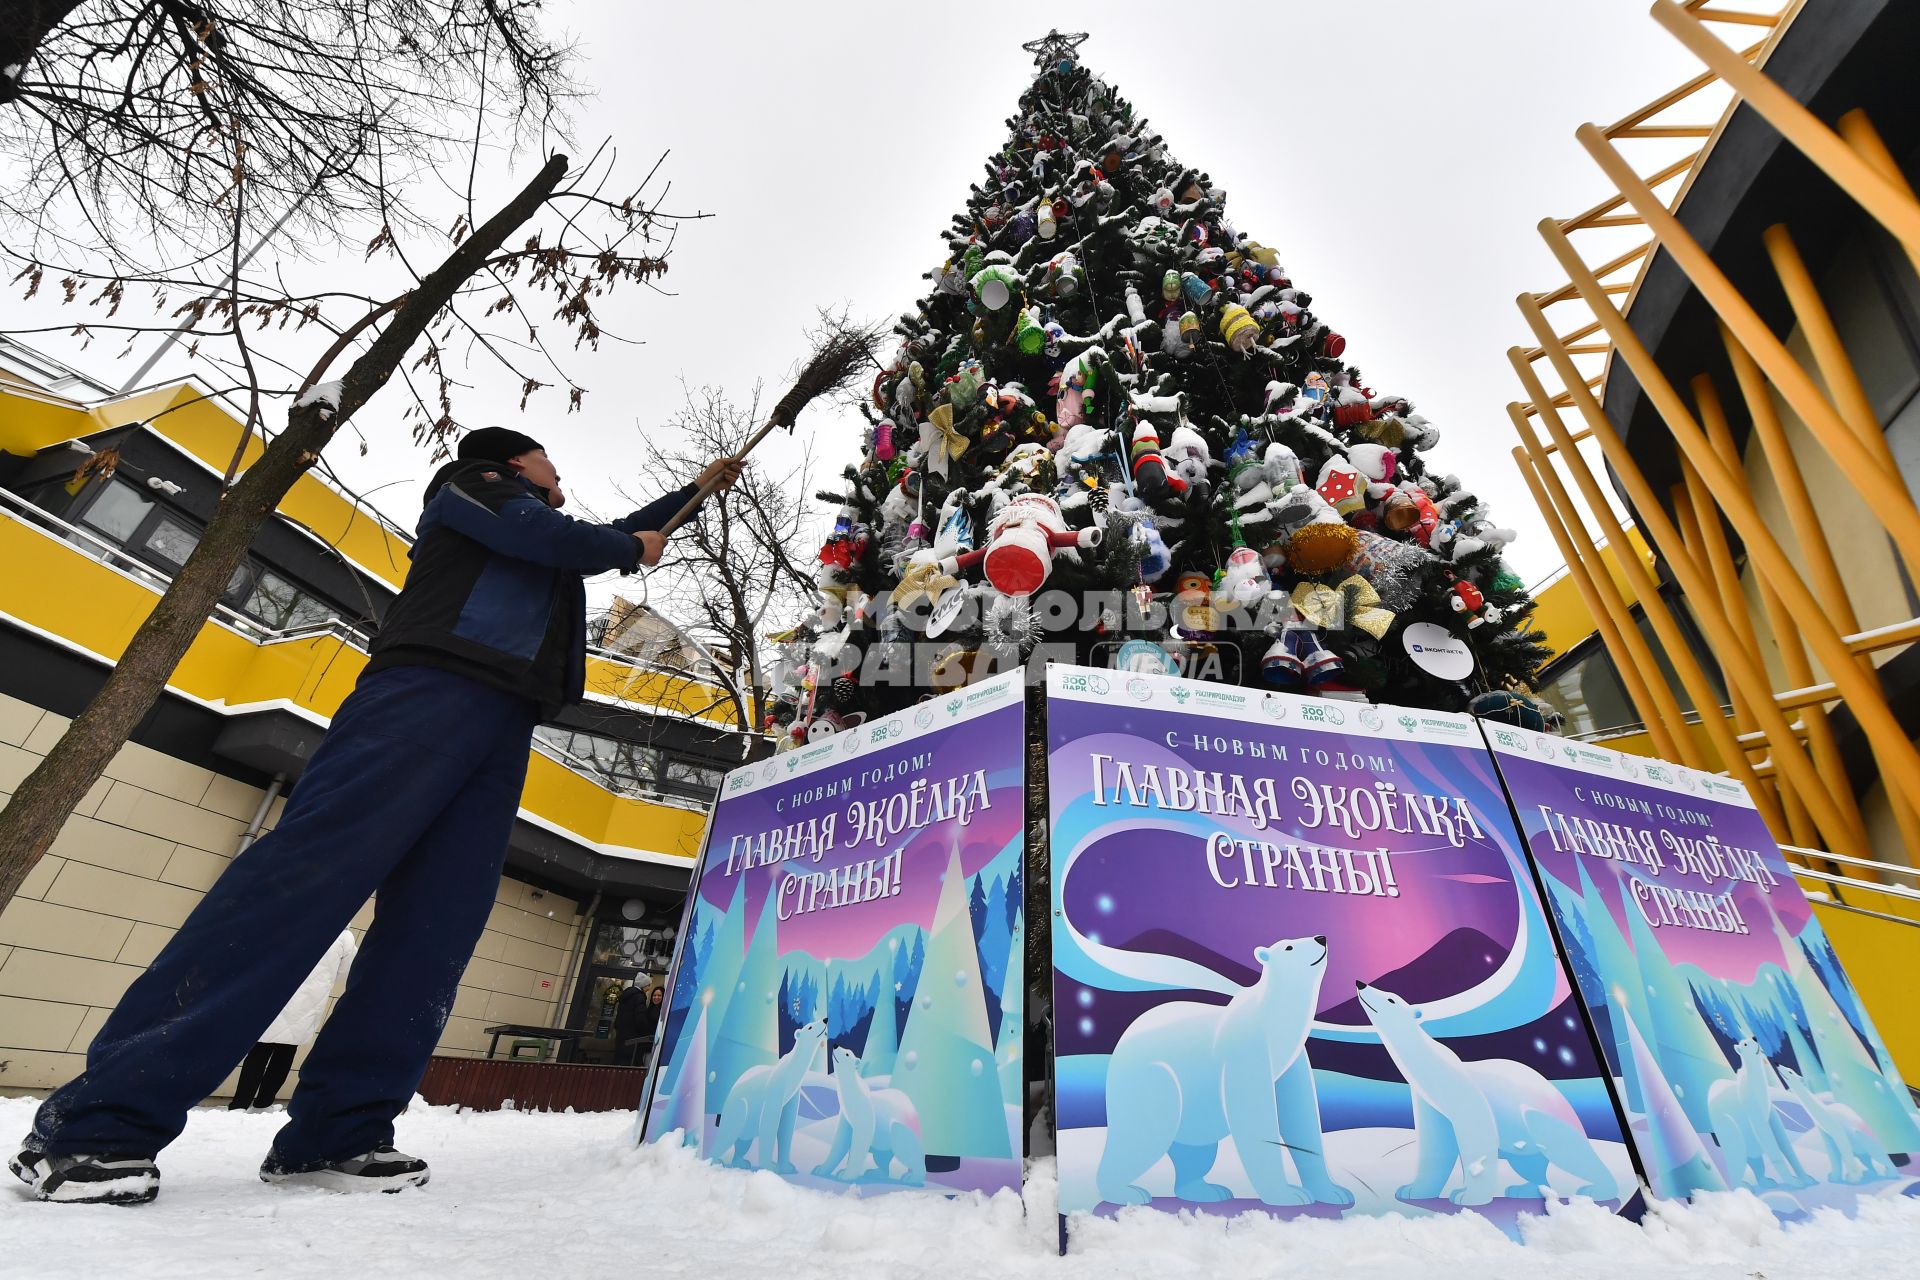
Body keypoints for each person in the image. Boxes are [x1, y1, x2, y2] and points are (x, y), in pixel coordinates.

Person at [11, 427, 741, 1205]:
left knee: (437, 927)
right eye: (551, 463)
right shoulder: (475, 488)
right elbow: (574, 538)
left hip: (504, 723)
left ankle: (339, 1132)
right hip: (423, 696)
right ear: (514, 463)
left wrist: (697, 490)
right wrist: (627, 544)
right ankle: (95, 1128)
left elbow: (625, 532)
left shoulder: (540, 527)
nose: (559, 474)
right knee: (302, 887)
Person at [229, 929, 360, 1112]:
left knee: (259, 1051)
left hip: (279, 992)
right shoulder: (345, 938)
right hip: (309, 1001)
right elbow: (344, 972)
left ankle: (239, 1104)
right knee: (286, 1053)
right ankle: (264, 1104)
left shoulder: (304, 919)